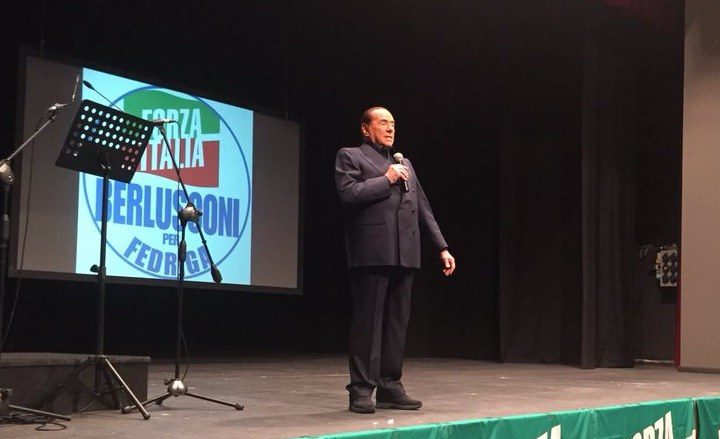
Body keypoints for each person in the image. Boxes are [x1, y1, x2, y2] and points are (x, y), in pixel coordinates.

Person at [334, 106, 456, 414]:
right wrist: (386, 179)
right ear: (366, 128)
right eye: (383, 123)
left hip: (407, 251)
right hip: (372, 252)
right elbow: (348, 194)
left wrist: (442, 247)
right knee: (368, 323)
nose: (390, 128)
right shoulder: (350, 156)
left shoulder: (405, 163)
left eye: (393, 124)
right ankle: (361, 389)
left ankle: (390, 385)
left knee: (397, 324)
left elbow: (423, 207)